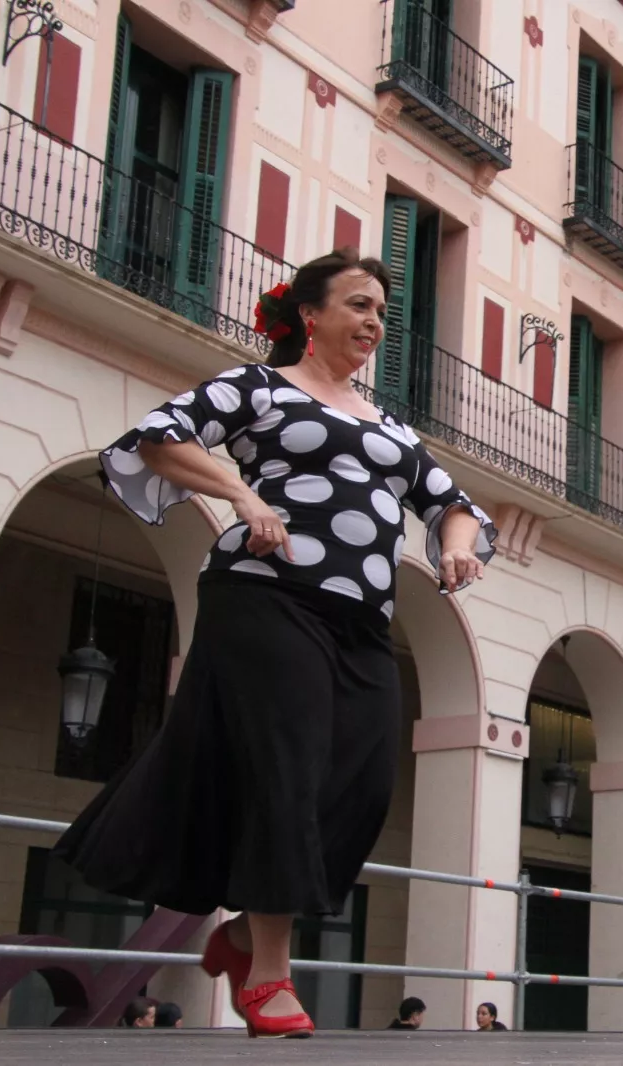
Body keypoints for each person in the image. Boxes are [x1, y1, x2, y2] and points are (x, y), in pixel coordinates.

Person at [53, 249, 497, 1039]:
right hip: (266, 597)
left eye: (382, 313)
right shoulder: (257, 388)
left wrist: (455, 545)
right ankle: (268, 977)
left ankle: (232, 937)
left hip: (362, 617)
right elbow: (160, 437)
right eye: (359, 305)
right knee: (288, 767)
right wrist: (239, 490)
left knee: (362, 783)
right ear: (309, 314)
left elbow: (452, 503)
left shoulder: (392, 428)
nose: (374, 323)